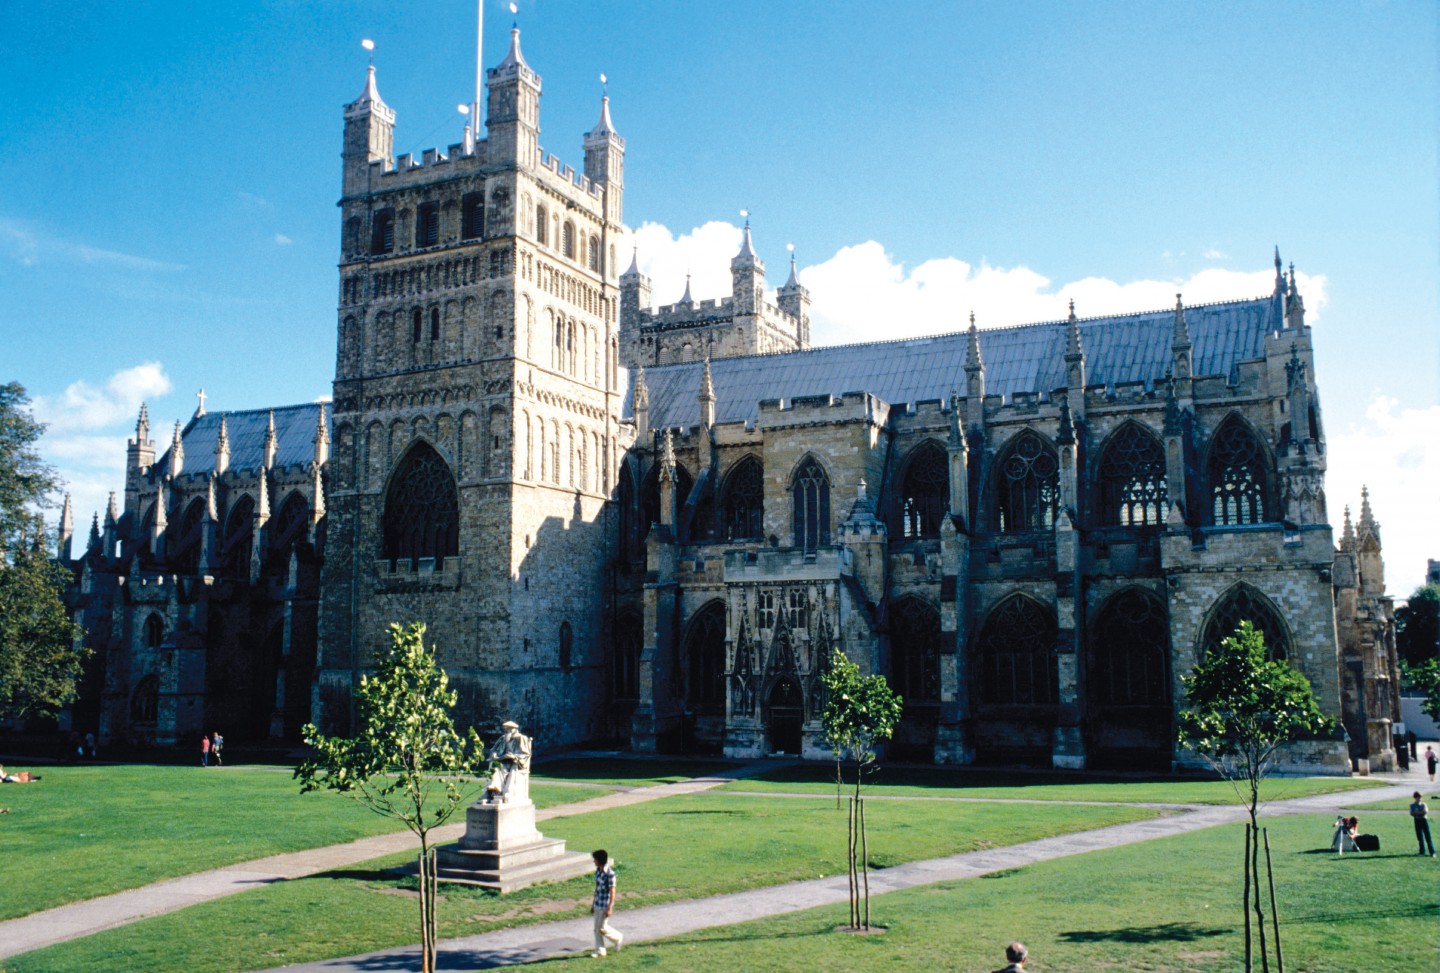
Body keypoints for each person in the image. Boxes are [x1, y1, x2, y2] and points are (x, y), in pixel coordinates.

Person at [483, 720, 532, 804]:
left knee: (504, 769)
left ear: (514, 729)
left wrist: (514, 757)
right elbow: (494, 749)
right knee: (495, 767)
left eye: (509, 729)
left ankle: (500, 791)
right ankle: (492, 790)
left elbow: (526, 754)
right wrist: (494, 754)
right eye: (506, 729)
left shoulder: (521, 738)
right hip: (502, 760)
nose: (507, 731)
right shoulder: (503, 738)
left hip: (515, 762)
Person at [590, 849, 623, 958]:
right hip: (598, 904)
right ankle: (600, 950)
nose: (593, 861)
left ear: (599, 860)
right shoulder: (598, 871)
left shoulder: (610, 874)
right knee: (596, 928)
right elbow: (597, 889)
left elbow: (612, 891)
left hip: (605, 905)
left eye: (595, 859)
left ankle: (618, 938)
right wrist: (593, 903)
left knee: (602, 928)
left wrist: (610, 907)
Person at [1411, 792, 1435, 857]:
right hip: (1417, 821)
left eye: (1421, 797)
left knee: (1428, 837)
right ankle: (1422, 851)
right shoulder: (1412, 805)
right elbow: (1412, 813)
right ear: (1415, 798)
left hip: (1424, 820)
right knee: (1420, 837)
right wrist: (1420, 812)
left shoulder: (1424, 804)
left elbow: (1425, 811)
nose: (1420, 799)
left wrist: (1417, 813)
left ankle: (1432, 852)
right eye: (1418, 797)